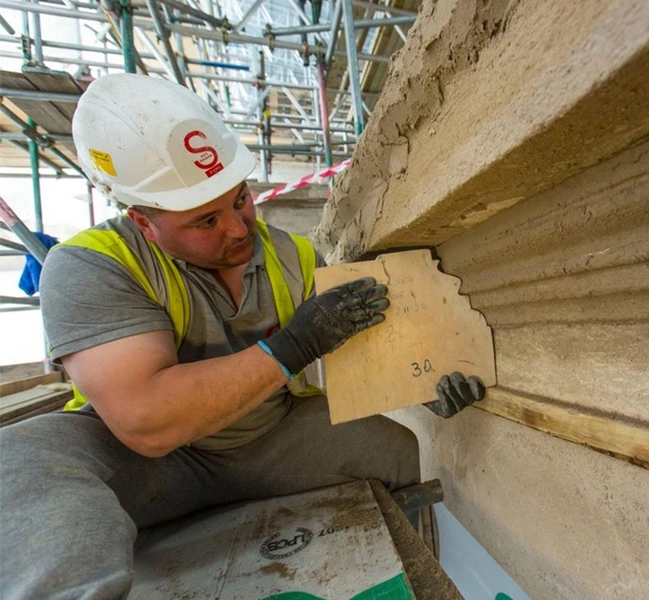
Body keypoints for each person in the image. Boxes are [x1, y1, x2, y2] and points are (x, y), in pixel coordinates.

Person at [0, 73, 485, 599]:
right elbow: (147, 423)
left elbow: (365, 361)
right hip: (155, 465)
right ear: (143, 222)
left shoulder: (295, 257)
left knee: (394, 450)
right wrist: (295, 344)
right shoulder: (90, 266)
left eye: (241, 200)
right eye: (205, 220)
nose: (237, 229)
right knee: (23, 458)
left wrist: (421, 386)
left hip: (269, 439)